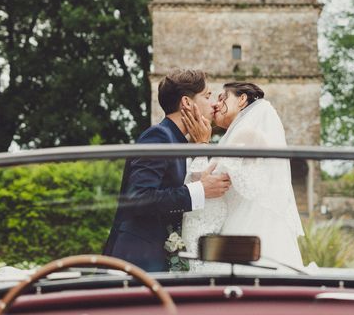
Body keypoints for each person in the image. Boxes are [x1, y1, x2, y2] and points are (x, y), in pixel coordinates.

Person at [103, 69, 231, 272]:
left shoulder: (177, 141)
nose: (213, 103)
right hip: (135, 262)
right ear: (187, 103)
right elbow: (139, 197)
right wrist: (199, 190)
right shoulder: (159, 136)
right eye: (207, 96)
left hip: (154, 261)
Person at [181, 82, 304, 270]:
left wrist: (202, 143)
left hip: (244, 228)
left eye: (222, 98)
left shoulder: (246, 135)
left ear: (242, 99)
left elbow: (203, 182)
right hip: (241, 227)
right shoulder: (241, 135)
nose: (215, 104)